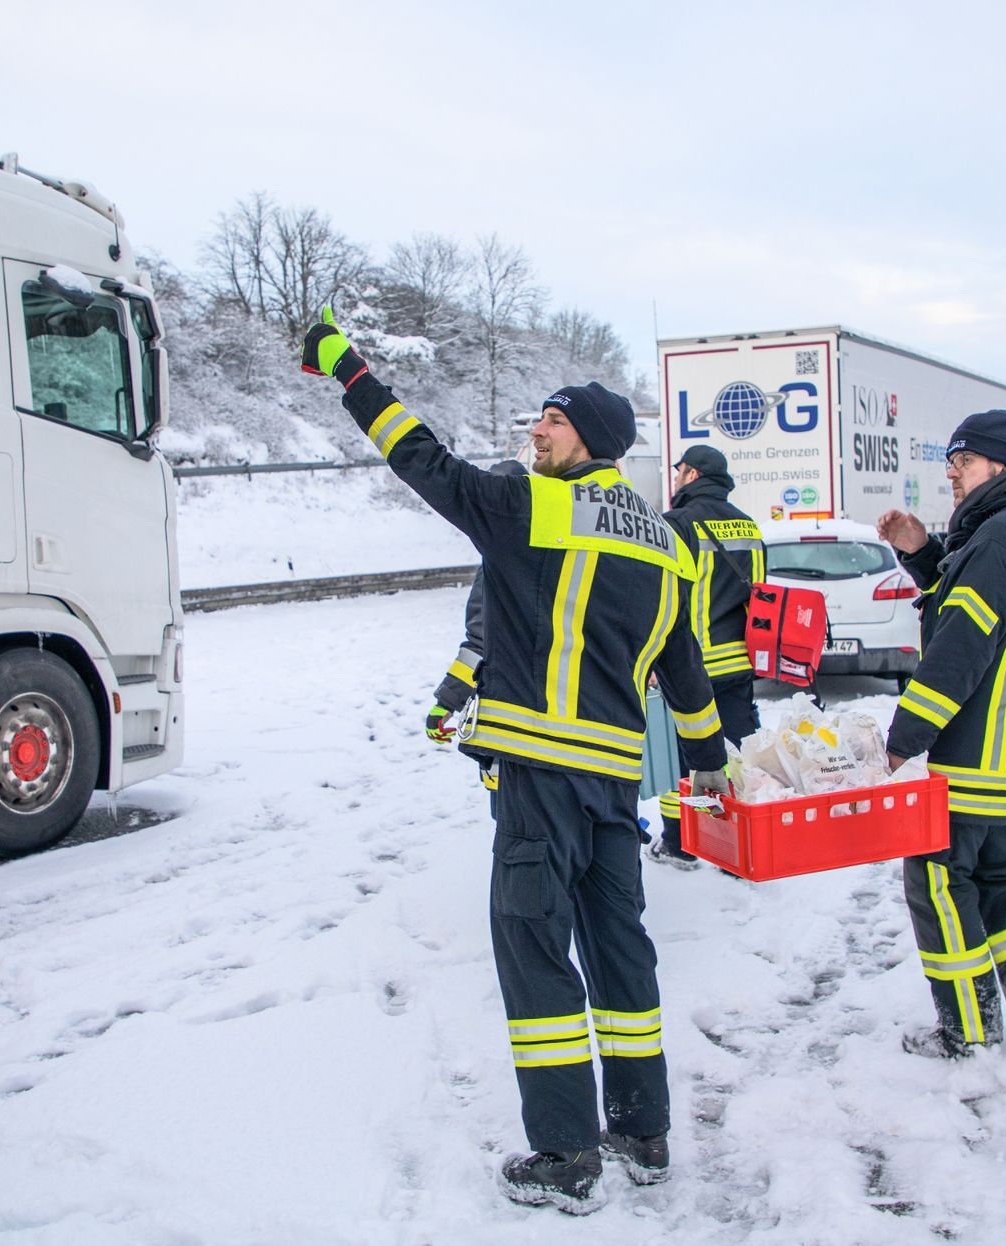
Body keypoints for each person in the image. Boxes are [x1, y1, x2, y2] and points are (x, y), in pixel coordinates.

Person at [301, 310, 727, 1214]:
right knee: (622, 953)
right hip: (616, 789)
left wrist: (348, 368)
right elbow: (687, 678)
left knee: (535, 954)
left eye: (553, 420)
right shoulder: (666, 542)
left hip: (538, 782)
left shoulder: (533, 508)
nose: (535, 429)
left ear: (594, 444)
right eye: (538, 416)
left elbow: (419, 458)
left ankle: (569, 1155)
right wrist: (708, 767)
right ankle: (644, 1134)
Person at [874, 410, 1006, 1066]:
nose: (952, 472)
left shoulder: (996, 537)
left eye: (963, 460)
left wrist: (904, 738)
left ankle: (968, 1028)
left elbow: (961, 647)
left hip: (975, 759)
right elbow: (981, 607)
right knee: (1003, 877)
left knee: (935, 878)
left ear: (1000, 464)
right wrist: (923, 554)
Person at [652, 444, 765, 867]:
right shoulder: (748, 526)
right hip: (740, 662)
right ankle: (737, 844)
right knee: (734, 757)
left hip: (690, 667)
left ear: (693, 475)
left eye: (679, 470)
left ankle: (683, 842)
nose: (676, 477)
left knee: (686, 763)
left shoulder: (677, 523)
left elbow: (663, 597)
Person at [424, 459, 531, 801]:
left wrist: (444, 704)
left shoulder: (497, 564)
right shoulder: (563, 549)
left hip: (511, 728)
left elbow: (480, 646)